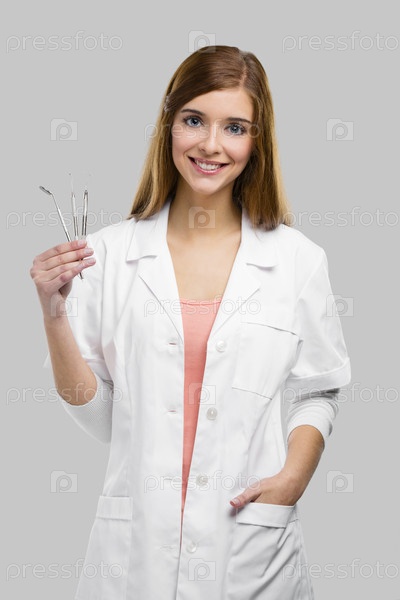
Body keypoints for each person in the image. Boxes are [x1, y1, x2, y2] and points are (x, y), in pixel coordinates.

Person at [30, 45, 351, 600]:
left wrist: (293, 479)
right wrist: (53, 312)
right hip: (133, 559)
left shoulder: (298, 261)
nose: (210, 144)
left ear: (257, 142)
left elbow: (317, 390)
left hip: (250, 551)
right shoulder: (107, 256)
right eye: (194, 120)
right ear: (168, 126)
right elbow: (103, 417)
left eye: (235, 128)